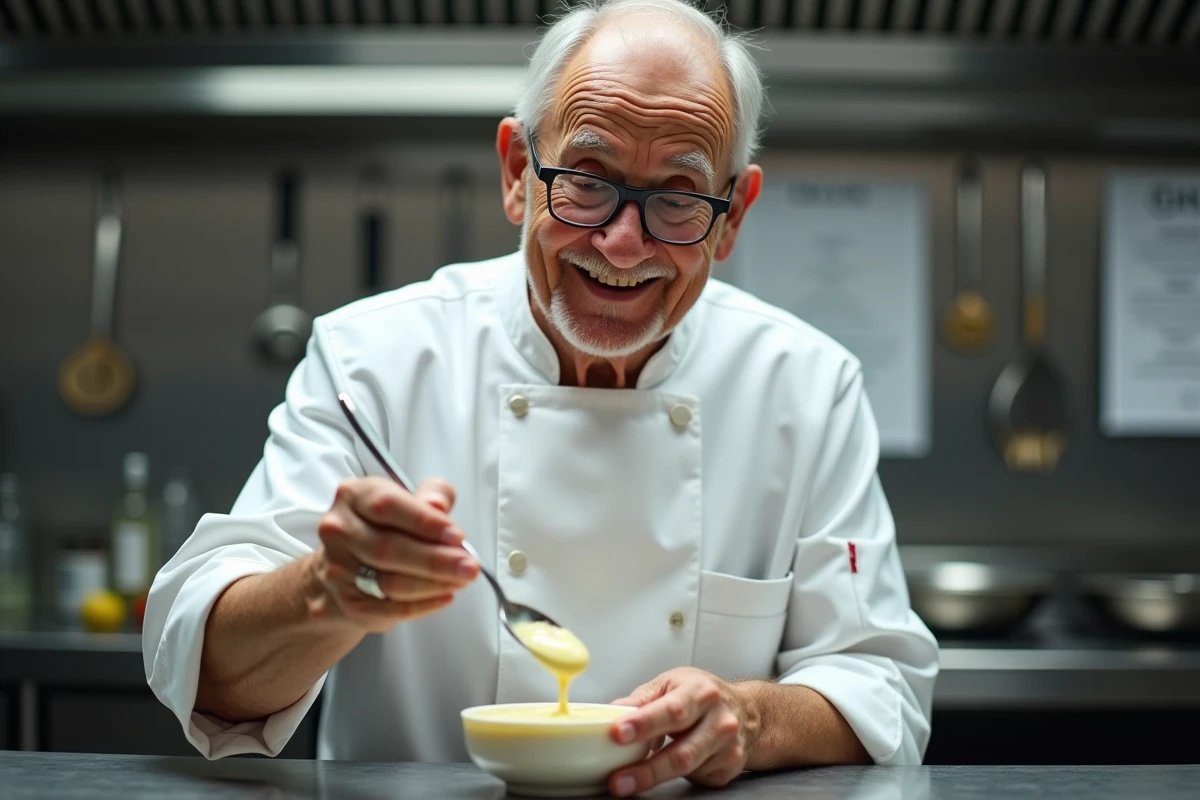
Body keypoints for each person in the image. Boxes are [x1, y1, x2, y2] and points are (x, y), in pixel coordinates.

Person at [143, 0, 939, 795]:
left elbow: (881, 688)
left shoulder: (805, 386)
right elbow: (207, 672)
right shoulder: (374, 361)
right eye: (588, 181)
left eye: (678, 197)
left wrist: (751, 719)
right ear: (519, 172)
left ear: (732, 219)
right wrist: (328, 591)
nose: (623, 244)